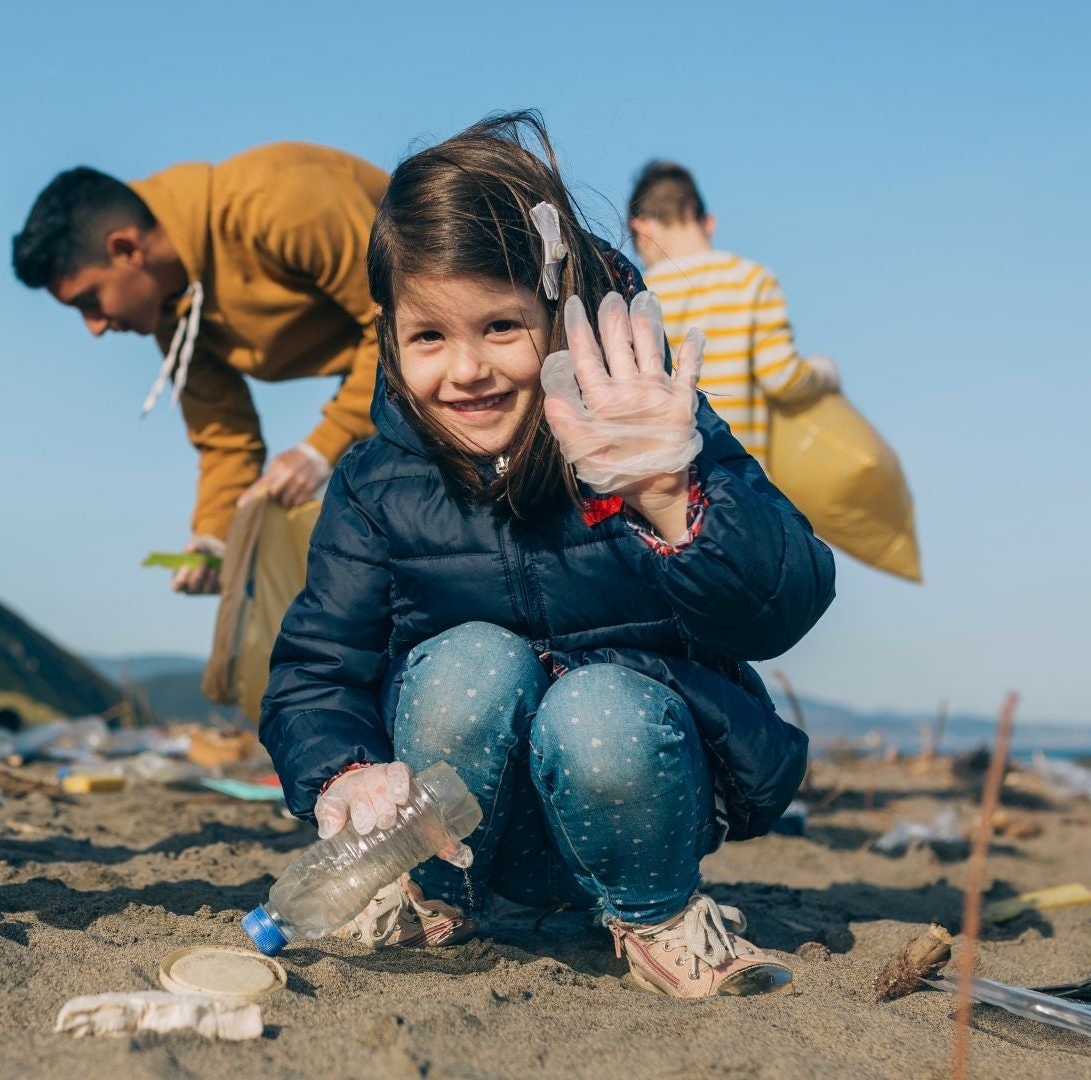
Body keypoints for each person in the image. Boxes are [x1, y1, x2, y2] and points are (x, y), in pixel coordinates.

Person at [260, 113, 835, 998]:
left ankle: (660, 924)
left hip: (636, 803)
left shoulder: (654, 437)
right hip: (458, 835)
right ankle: (431, 900)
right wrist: (344, 769)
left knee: (596, 702)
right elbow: (316, 669)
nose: (465, 371)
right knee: (468, 663)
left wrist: (671, 498)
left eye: (501, 327)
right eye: (429, 337)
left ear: (559, 314)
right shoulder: (377, 485)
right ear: (388, 336)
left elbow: (786, 603)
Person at [11, 145, 387, 594]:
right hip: (401, 387)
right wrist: (213, 535)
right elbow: (225, 436)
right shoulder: (173, 308)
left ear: (127, 249)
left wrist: (321, 448)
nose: (94, 327)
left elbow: (402, 320)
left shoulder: (278, 200)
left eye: (89, 301)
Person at [627, 161, 836, 458]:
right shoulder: (751, 278)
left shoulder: (638, 294)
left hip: (665, 480)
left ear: (641, 226)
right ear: (709, 222)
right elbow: (781, 378)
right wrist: (824, 373)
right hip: (743, 482)